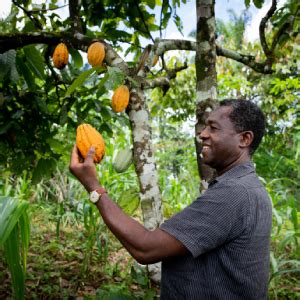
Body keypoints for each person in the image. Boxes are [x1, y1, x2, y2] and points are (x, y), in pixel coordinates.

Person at [69, 99, 272, 299]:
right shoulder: (249, 187)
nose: (202, 134)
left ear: (244, 139)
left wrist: (94, 188)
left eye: (213, 128)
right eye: (204, 127)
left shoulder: (233, 194)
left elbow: (145, 248)